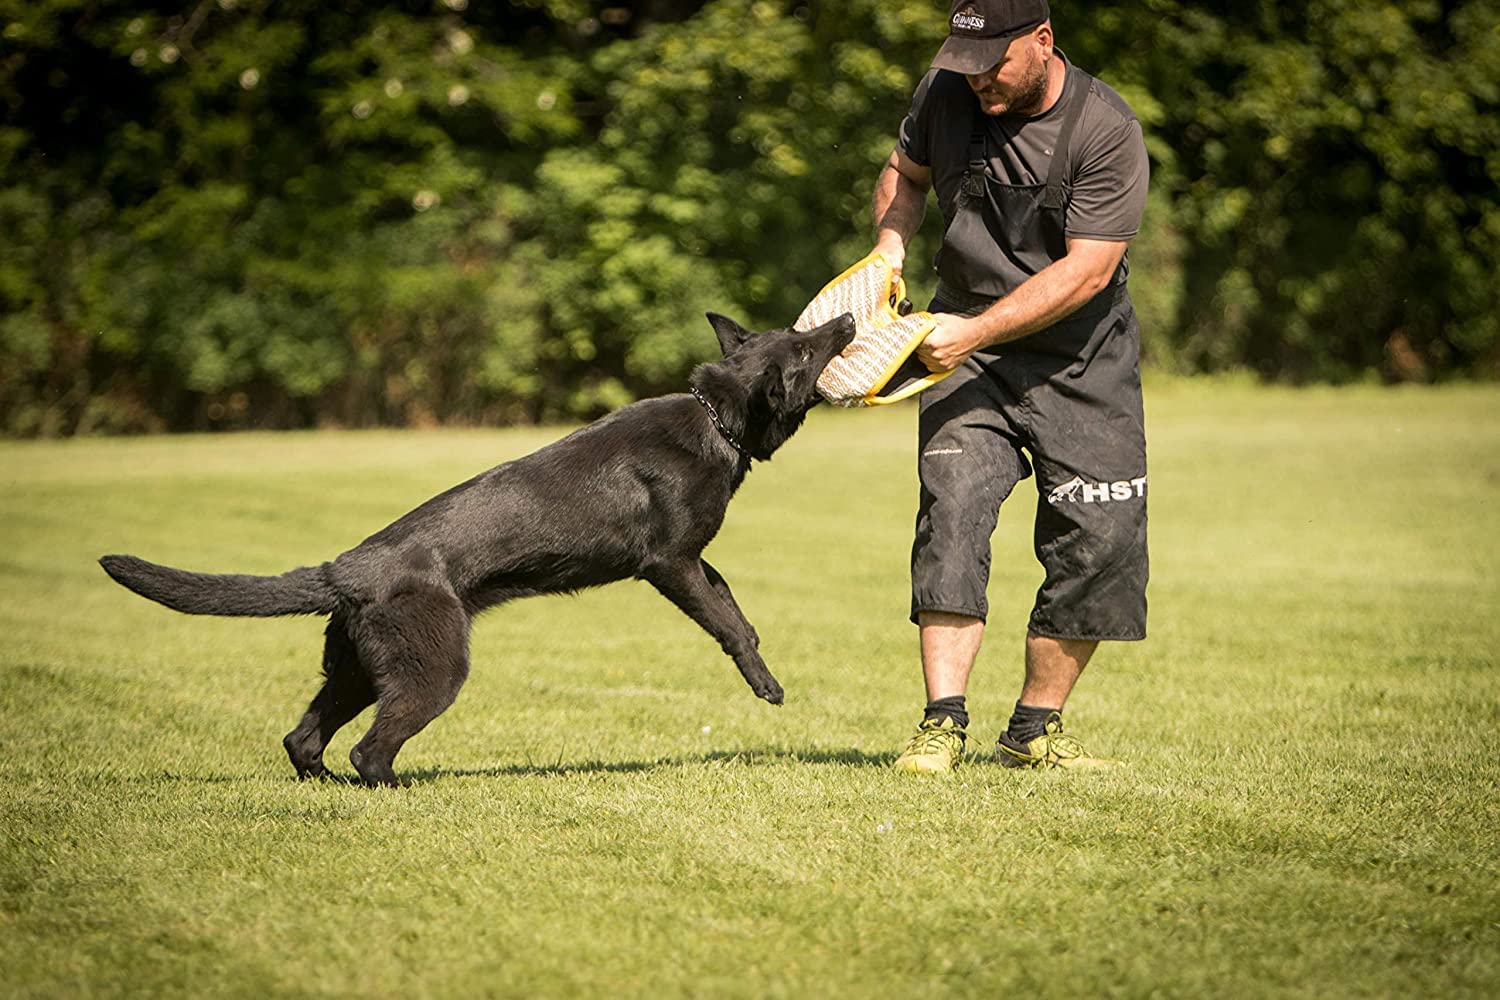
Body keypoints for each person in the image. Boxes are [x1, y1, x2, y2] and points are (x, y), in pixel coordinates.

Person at [874, 0, 1150, 771]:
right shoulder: (946, 92)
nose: (977, 80)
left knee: (1102, 541)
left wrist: (974, 331)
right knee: (953, 514)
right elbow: (904, 173)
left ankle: (1033, 730)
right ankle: (941, 723)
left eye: (993, 63)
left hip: (1080, 360)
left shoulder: (1105, 130)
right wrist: (890, 245)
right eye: (965, 63)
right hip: (964, 355)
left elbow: (1087, 271)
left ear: (1043, 41)